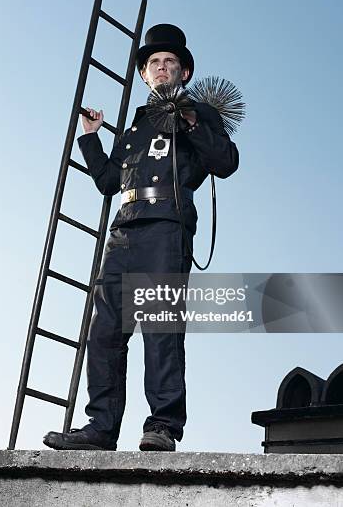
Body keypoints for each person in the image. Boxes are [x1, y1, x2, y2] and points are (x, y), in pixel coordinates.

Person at [43, 24, 239, 451]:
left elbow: (225, 162)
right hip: (124, 231)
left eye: (170, 62)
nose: (162, 68)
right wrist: (90, 139)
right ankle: (100, 428)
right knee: (105, 332)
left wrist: (190, 123)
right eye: (154, 63)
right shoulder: (134, 126)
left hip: (166, 228)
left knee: (160, 328)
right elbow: (108, 182)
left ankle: (163, 425)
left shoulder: (198, 113)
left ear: (183, 72)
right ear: (146, 74)